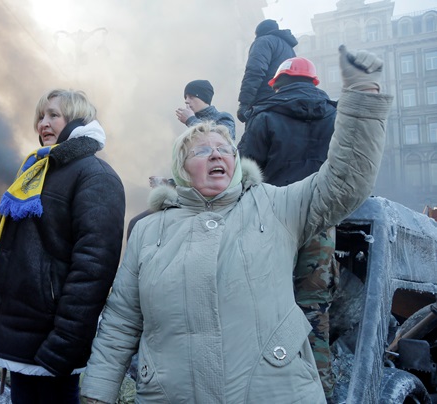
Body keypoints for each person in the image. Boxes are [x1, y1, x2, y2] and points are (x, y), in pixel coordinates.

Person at [80, 45, 392, 404]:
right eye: (201, 150)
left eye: (224, 149)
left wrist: (361, 97)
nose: (215, 153)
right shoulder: (149, 231)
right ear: (180, 170)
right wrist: (97, 395)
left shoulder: (275, 205)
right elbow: (120, 321)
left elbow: (344, 182)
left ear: (235, 160)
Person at [0, 89, 126, 404]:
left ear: (78, 119)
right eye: (41, 116)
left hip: (52, 342)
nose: (43, 123)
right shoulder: (38, 171)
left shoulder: (95, 176)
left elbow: (94, 268)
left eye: (54, 114)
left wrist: (64, 344)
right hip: (25, 337)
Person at [237, 56, 339, 400]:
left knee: (266, 306)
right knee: (313, 309)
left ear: (277, 82)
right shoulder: (335, 115)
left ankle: (269, 388)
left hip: (273, 219)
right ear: (314, 82)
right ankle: (320, 390)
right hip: (320, 221)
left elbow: (245, 170)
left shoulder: (263, 116)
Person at [237, 19, 297, 123]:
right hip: (288, 104)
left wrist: (244, 103)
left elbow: (255, 71)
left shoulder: (263, 41)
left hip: (265, 103)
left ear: (259, 32)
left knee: (257, 137)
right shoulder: (290, 50)